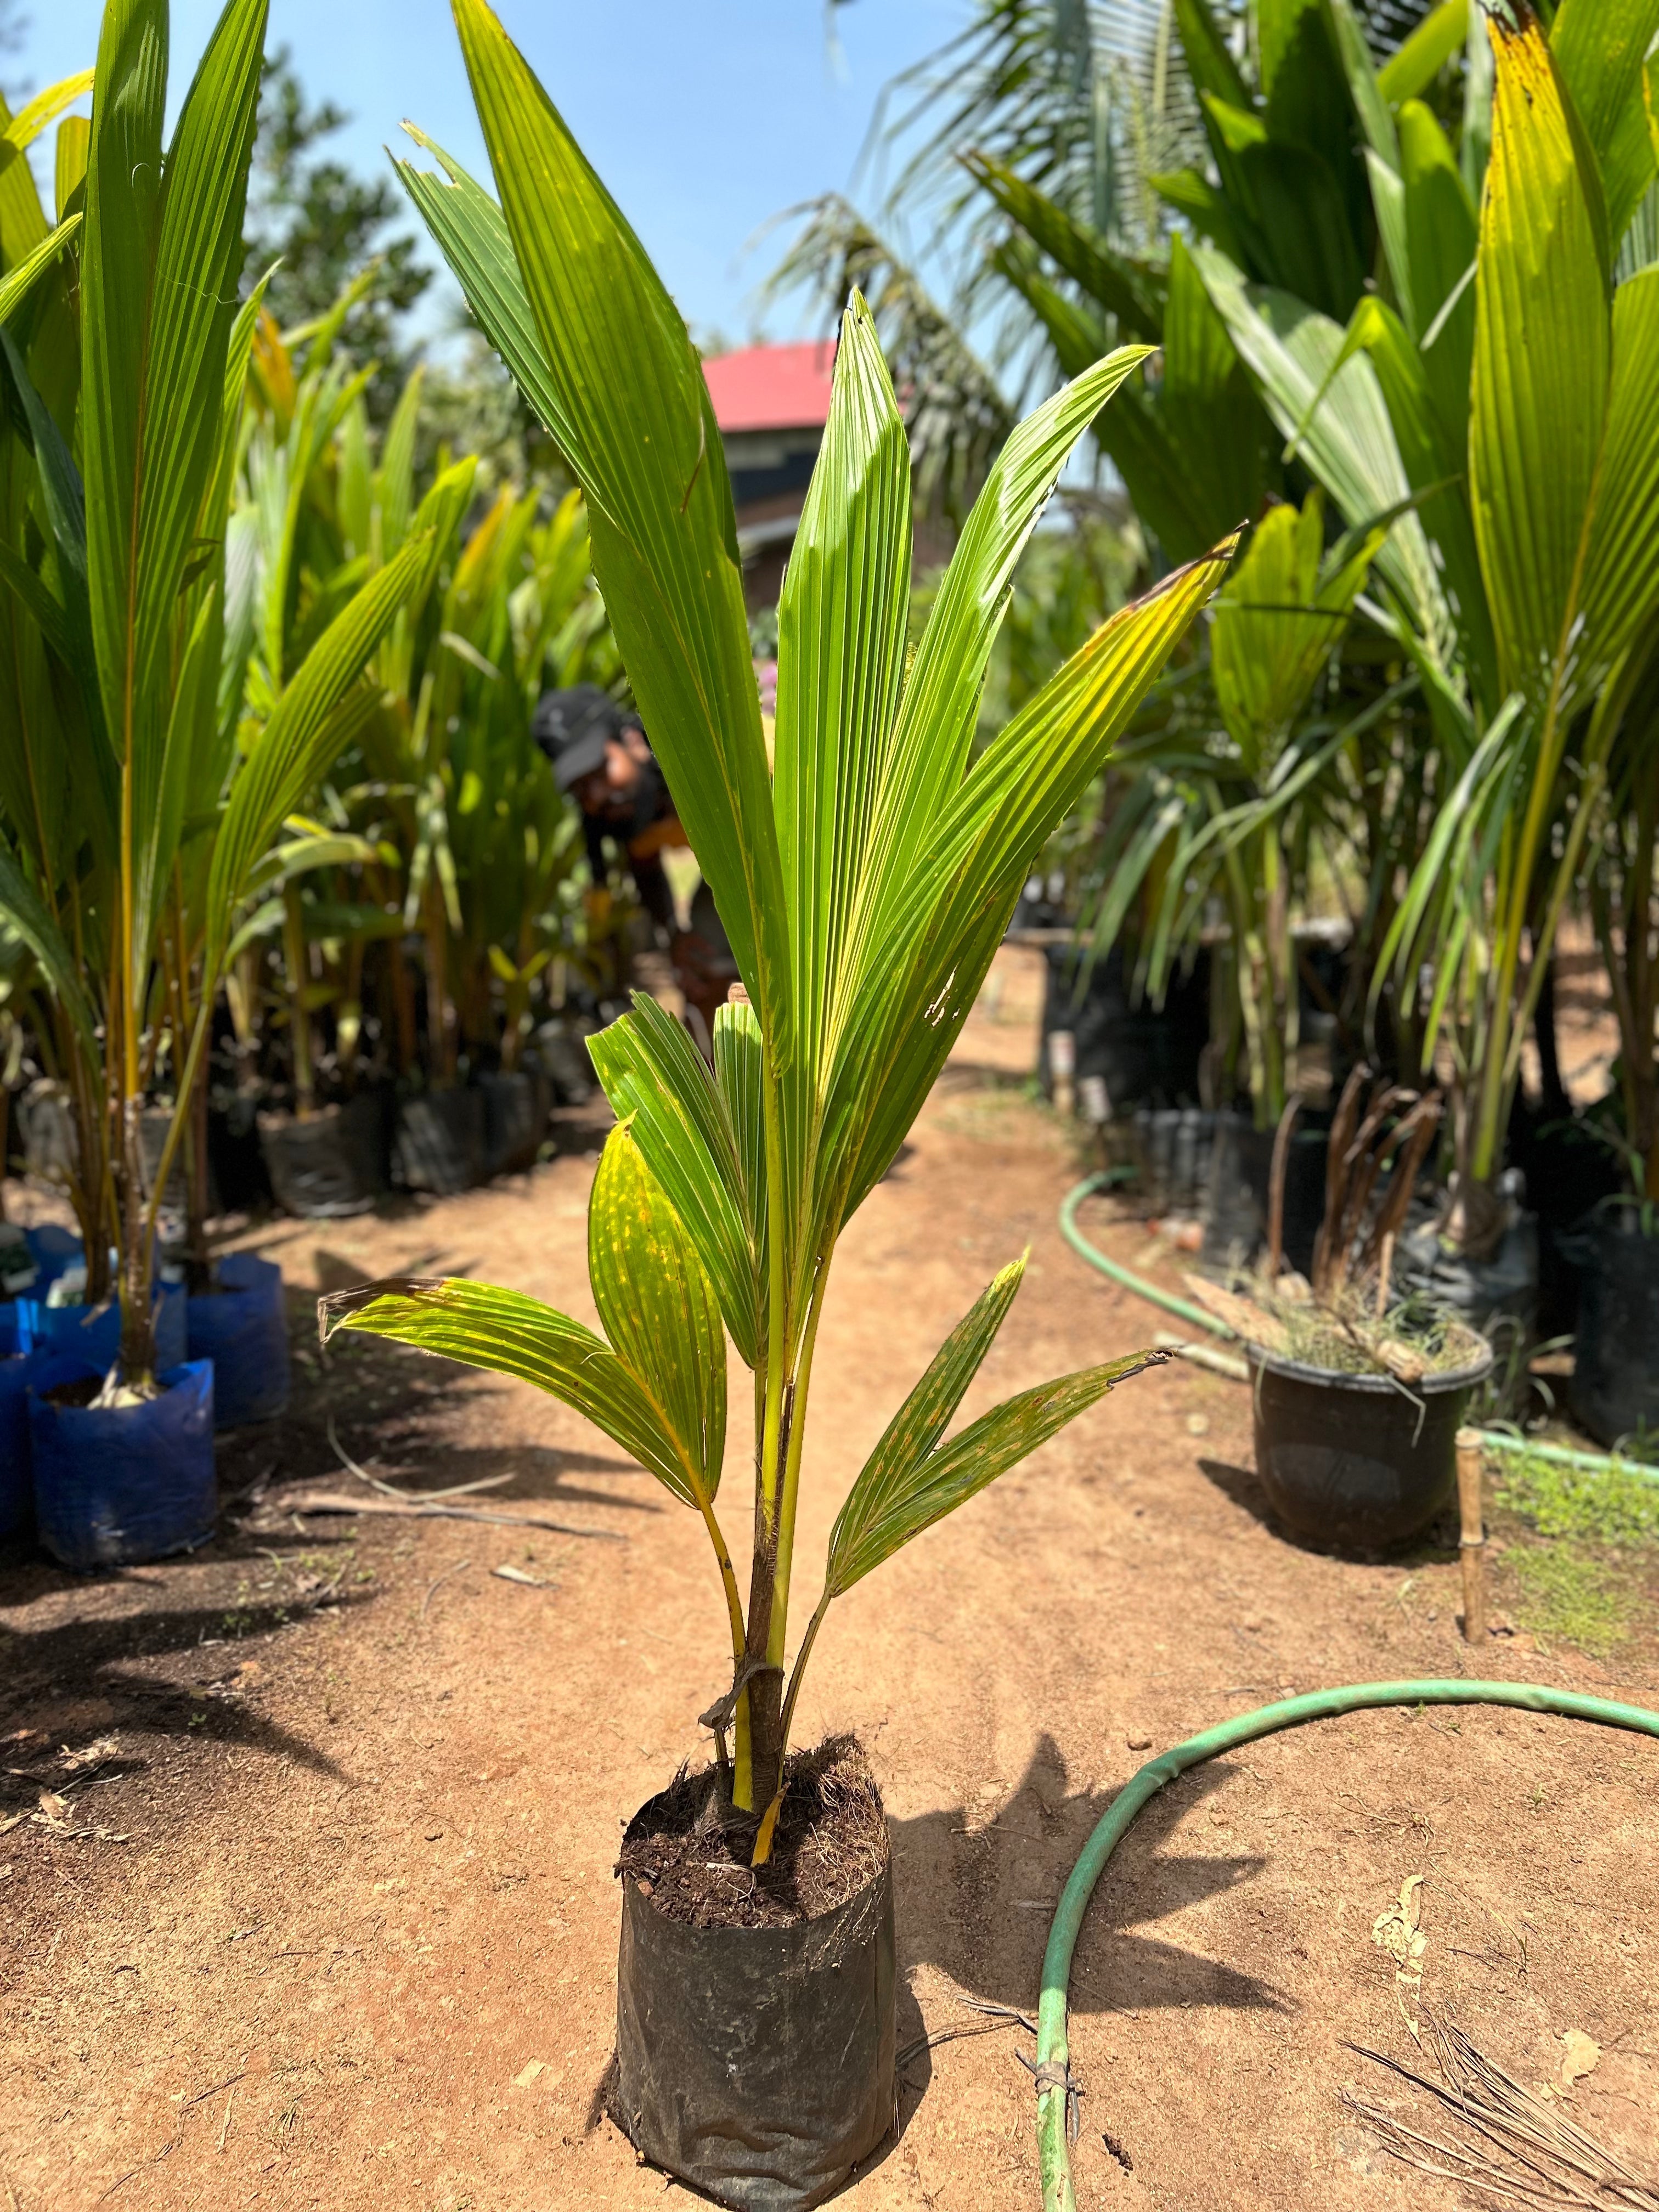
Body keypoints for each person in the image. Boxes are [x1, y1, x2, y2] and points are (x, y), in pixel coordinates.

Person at [533, 686, 737, 1048]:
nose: (596, 796)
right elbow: (648, 875)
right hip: (732, 880)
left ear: (632, 741)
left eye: (600, 772)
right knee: (699, 960)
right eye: (582, 789)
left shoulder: (702, 767)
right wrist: (677, 936)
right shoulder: (620, 819)